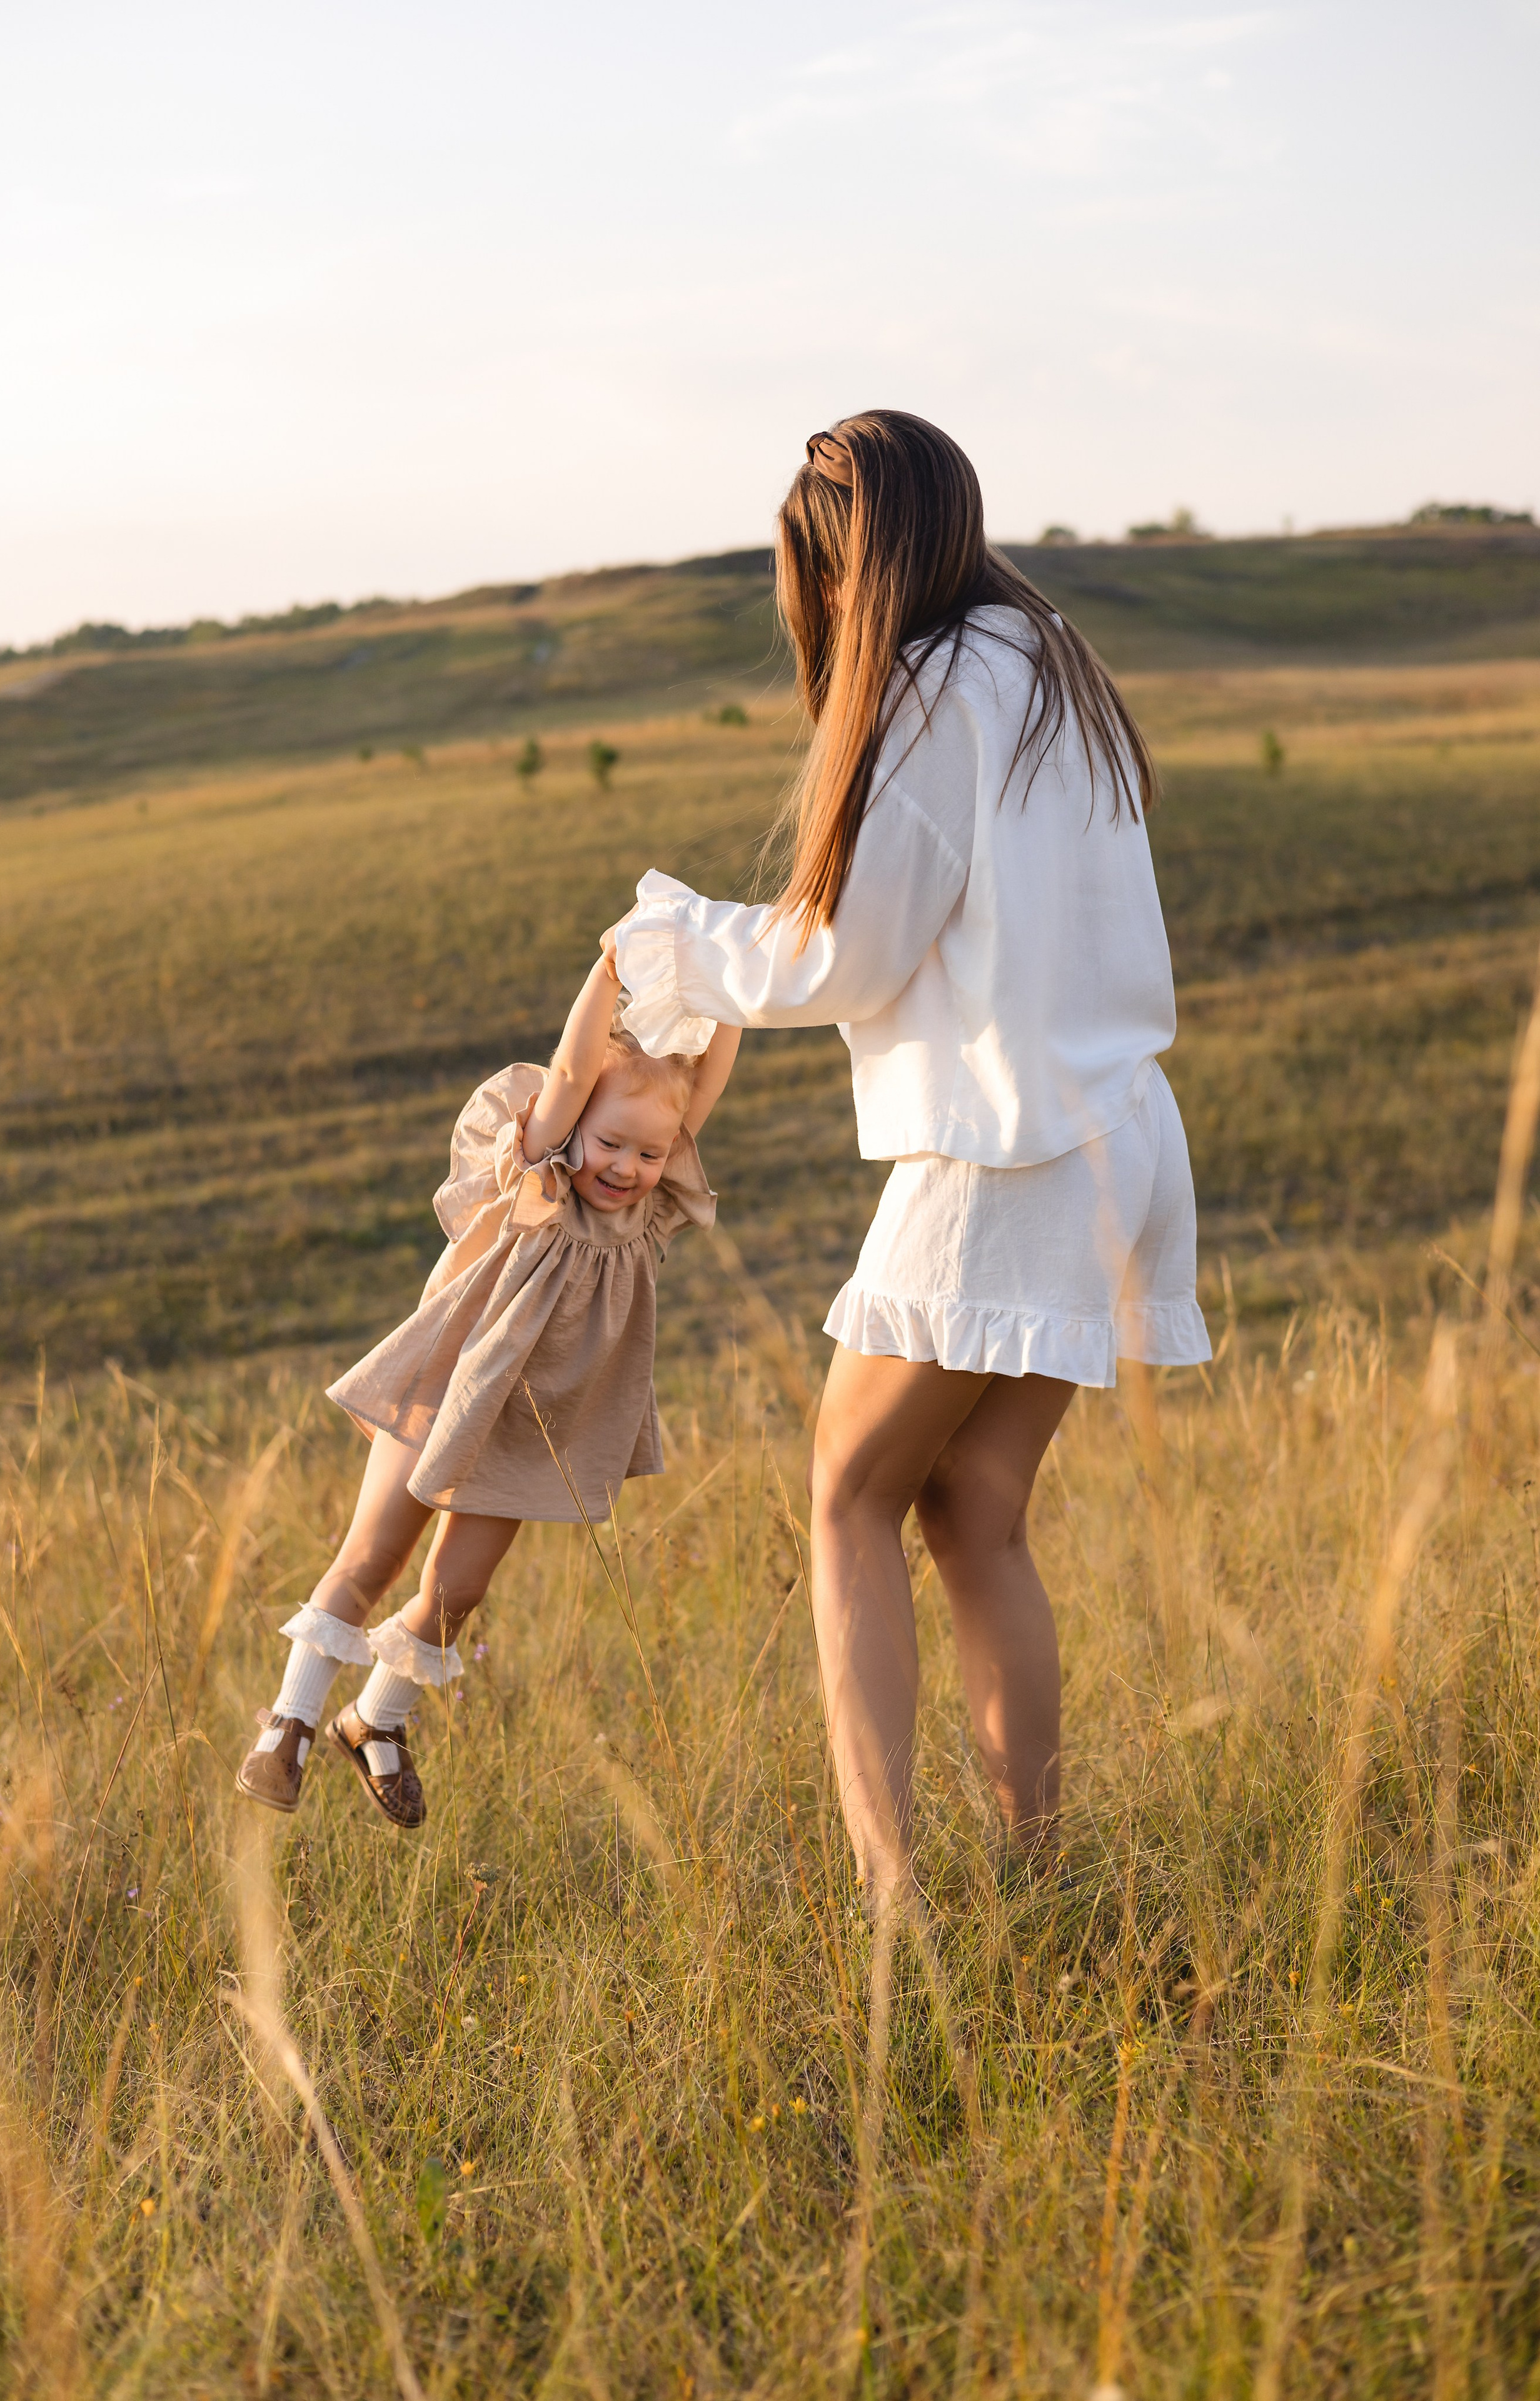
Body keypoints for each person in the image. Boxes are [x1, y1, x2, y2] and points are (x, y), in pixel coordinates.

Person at [607, 410, 1210, 1914]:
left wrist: (673, 952)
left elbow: (848, 954)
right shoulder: (1048, 654)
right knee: (970, 1511)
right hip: (1116, 1133)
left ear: (847, 563)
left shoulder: (936, 686)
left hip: (1005, 1149)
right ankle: (1035, 1878)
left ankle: (891, 1903)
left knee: (843, 1495)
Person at [236, 954, 740, 1827]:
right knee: (373, 1557)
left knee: (456, 1590)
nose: (627, 1166)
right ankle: (291, 1723)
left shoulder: (647, 1217)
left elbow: (702, 1093)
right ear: (575, 1127)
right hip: (447, 1389)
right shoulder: (540, 1173)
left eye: (651, 1153)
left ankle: (377, 1722)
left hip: (532, 1428)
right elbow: (580, 1064)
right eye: (612, 1143)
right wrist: (610, 969)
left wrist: (736, 989)